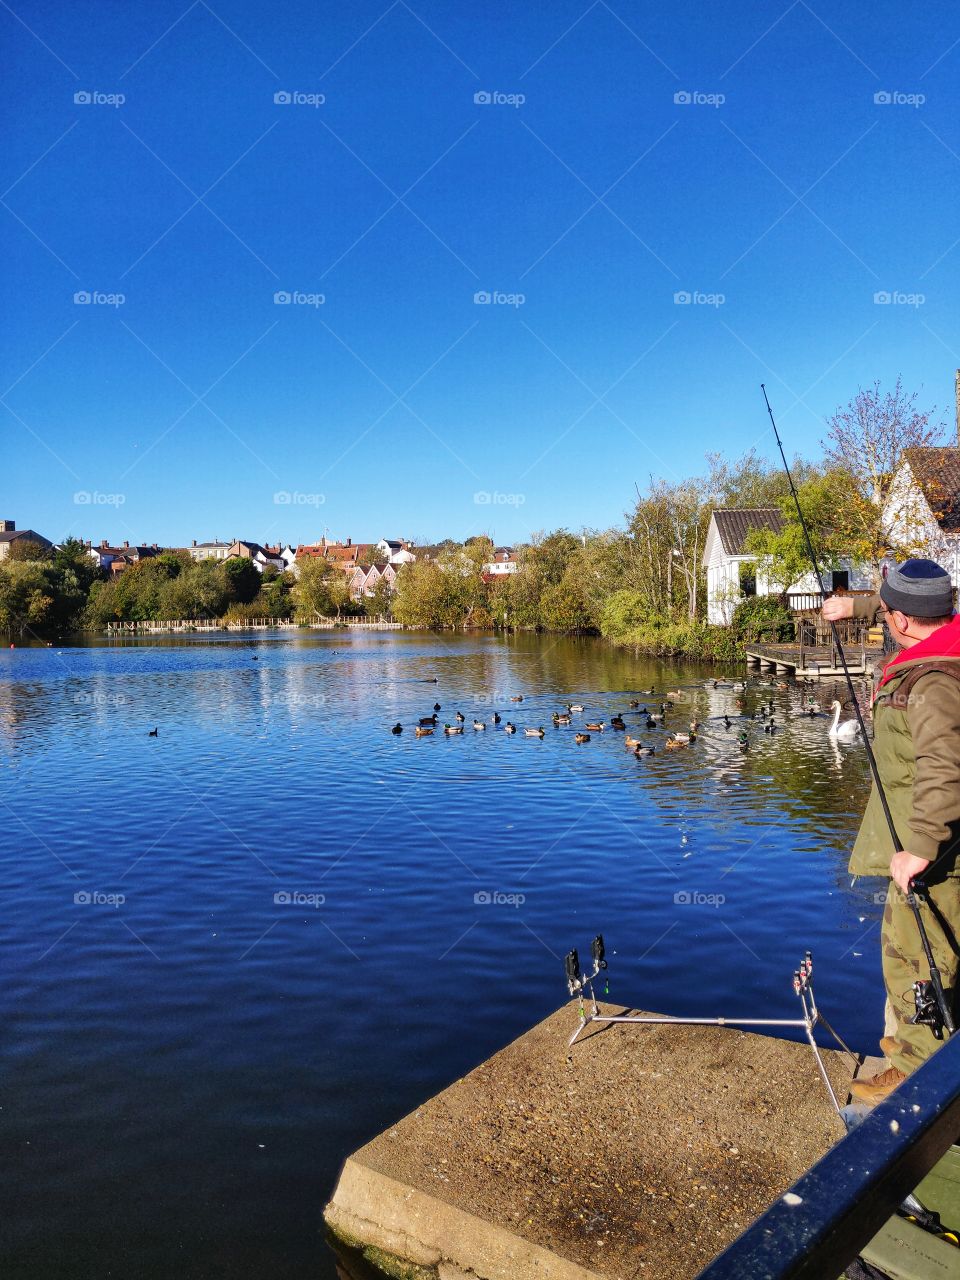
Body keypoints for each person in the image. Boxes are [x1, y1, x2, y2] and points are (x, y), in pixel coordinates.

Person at [822, 559, 960, 1103]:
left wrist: (921, 847)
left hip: (932, 859)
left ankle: (915, 1081)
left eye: (883, 612)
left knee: (916, 963)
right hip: (931, 846)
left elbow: (945, 767)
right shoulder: (943, 642)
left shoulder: (932, 682)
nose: (881, 617)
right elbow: (897, 605)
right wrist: (851, 607)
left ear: (901, 621)